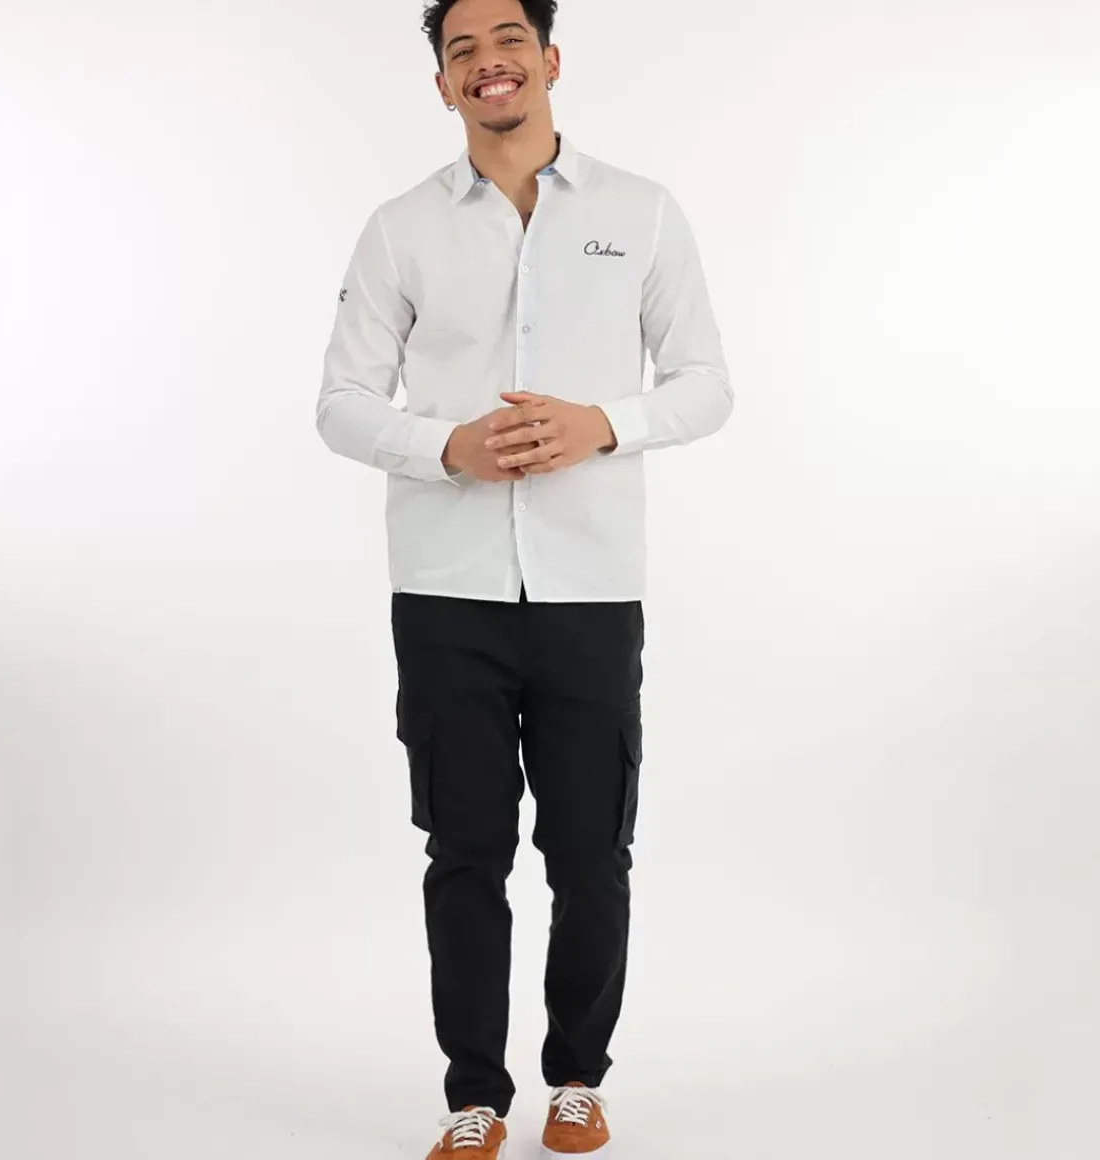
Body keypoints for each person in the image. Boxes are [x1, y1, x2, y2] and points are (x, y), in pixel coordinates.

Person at [316, 0, 734, 1154]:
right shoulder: (399, 228)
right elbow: (341, 402)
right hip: (443, 589)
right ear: (442, 83)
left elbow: (705, 382)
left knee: (591, 850)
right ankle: (473, 1093)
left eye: (507, 41)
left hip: (589, 587)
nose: (486, 62)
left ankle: (577, 1077)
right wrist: (443, 444)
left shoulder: (641, 212)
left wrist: (602, 422)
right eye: (460, 50)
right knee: (463, 850)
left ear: (547, 59)